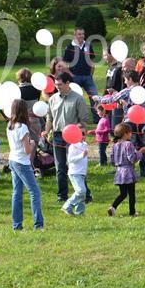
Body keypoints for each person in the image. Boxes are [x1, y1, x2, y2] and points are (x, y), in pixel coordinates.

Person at [43, 71, 90, 203]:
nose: (57, 87)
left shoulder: (78, 98)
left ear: (68, 83)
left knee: (75, 167)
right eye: (56, 84)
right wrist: (46, 131)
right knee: (60, 167)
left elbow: (84, 119)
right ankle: (62, 196)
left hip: (73, 136)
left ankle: (85, 195)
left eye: (60, 84)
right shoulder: (52, 99)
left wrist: (81, 134)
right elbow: (49, 118)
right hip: (58, 135)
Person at [7, 99, 44, 230]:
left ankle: (17, 225)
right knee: (35, 192)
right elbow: (27, 150)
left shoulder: (10, 124)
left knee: (17, 193)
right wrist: (33, 143)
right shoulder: (22, 127)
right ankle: (38, 225)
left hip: (13, 159)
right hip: (22, 162)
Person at [107, 123, 143, 217]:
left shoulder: (115, 145)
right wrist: (140, 152)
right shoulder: (128, 144)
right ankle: (132, 212)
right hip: (128, 172)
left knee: (123, 194)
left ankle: (113, 207)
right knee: (131, 193)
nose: (131, 135)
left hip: (119, 172)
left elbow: (112, 160)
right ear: (126, 133)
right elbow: (132, 159)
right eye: (130, 133)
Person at [62, 27, 98, 119]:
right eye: (79, 34)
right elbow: (64, 64)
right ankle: (74, 118)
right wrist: (71, 75)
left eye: (83, 34)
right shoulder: (69, 47)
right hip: (75, 77)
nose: (82, 36)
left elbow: (92, 61)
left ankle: (97, 118)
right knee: (74, 98)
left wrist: (90, 74)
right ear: (75, 35)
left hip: (87, 77)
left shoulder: (88, 45)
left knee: (95, 96)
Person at [61, 131, 89, 216]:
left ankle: (79, 212)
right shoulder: (73, 146)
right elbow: (70, 160)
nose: (83, 137)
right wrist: (81, 156)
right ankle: (67, 205)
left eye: (84, 135)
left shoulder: (84, 145)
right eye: (81, 135)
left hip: (82, 173)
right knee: (81, 191)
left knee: (82, 193)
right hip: (75, 173)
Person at [103, 47, 124, 131]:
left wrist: (119, 98)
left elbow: (122, 84)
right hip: (109, 100)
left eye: (105, 55)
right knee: (110, 126)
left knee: (116, 126)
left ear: (112, 54)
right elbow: (107, 85)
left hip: (117, 100)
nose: (103, 57)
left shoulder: (119, 67)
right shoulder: (109, 68)